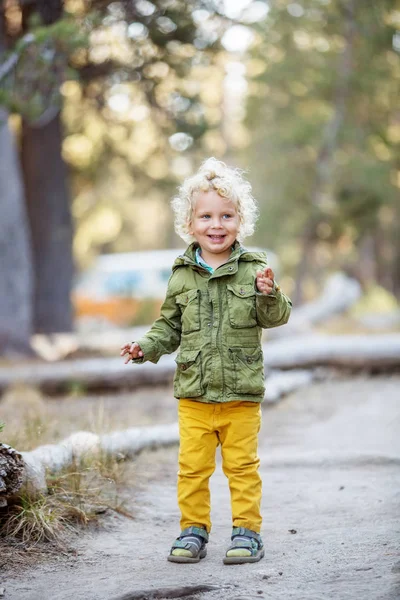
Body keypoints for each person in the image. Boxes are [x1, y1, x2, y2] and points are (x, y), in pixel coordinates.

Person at [120, 158, 292, 565]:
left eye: (227, 215)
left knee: (242, 468)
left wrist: (269, 294)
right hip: (195, 394)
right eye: (207, 216)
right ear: (191, 223)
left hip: (241, 394)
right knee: (192, 470)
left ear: (240, 220)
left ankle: (247, 532)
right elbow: (168, 326)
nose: (217, 224)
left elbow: (277, 317)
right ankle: (193, 530)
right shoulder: (181, 275)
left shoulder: (255, 269)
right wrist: (146, 346)